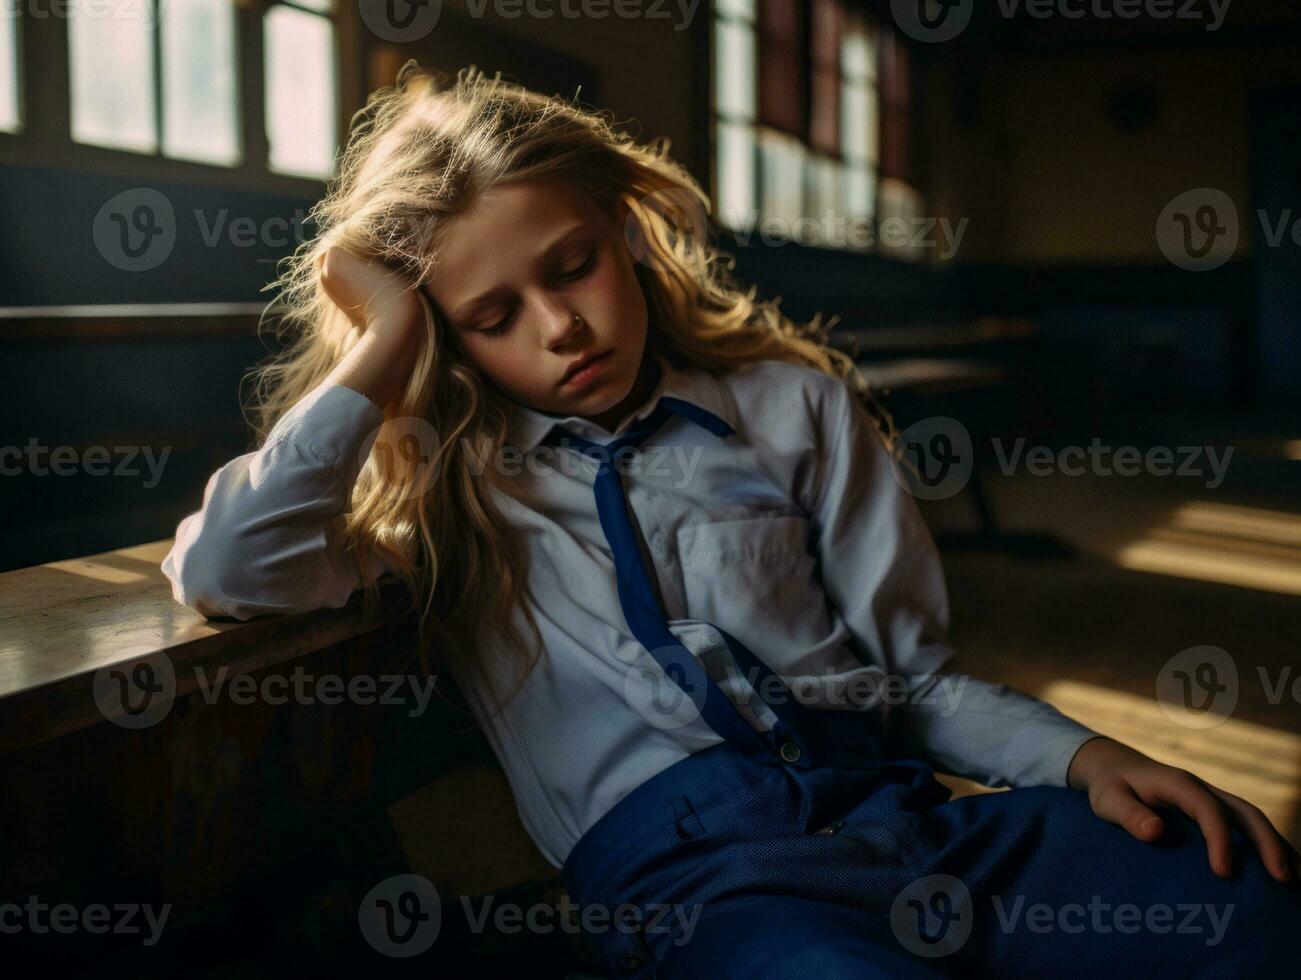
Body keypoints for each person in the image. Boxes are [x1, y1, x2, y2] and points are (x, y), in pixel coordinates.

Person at [162, 61, 1299, 977]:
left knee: (1238, 888)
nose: (559, 326)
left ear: (628, 232)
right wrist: (382, 344)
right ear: (446, 338)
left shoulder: (789, 404)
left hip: (909, 817)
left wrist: (1079, 754)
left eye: (574, 266)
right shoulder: (438, 487)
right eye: (493, 315)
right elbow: (227, 561)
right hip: (699, 885)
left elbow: (908, 675)